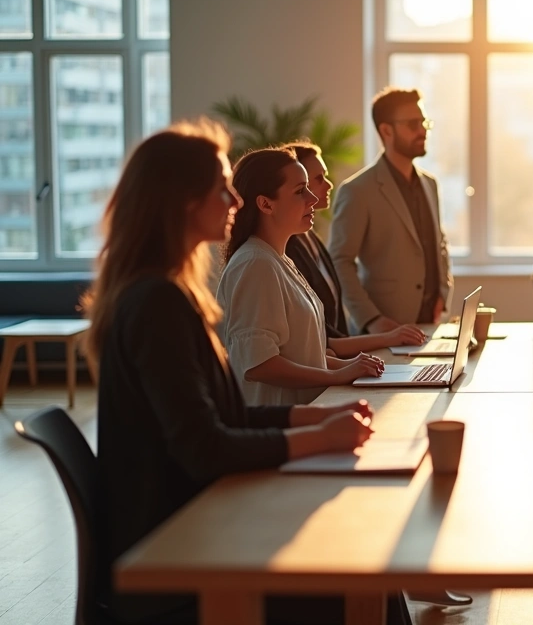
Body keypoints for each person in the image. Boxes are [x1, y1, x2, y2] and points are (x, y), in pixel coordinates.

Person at [84, 119, 411, 624]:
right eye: (221, 188)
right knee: (366, 570)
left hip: (193, 527)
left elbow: (229, 415)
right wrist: (321, 437)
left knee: (373, 568)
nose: (234, 201)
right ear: (183, 201)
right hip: (177, 554)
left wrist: (322, 422)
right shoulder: (156, 304)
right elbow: (206, 445)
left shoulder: (165, 295)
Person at [217, 148, 384, 406]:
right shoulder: (255, 264)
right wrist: (338, 375)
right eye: (299, 191)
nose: (312, 199)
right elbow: (260, 364)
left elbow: (301, 354)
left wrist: (351, 365)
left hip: (311, 413)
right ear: (265, 204)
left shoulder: (278, 259)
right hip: (281, 426)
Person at [283, 141, 428, 352]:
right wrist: (377, 328)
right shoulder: (285, 249)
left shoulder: (310, 238)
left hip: (333, 359)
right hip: (325, 366)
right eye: (317, 179)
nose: (329, 184)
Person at [329, 87, 453, 333]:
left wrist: (442, 291)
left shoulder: (430, 183)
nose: (422, 131)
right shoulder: (358, 190)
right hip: (382, 330)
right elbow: (339, 261)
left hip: (429, 323)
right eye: (412, 124)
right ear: (386, 130)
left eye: (424, 122)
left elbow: (439, 242)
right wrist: (371, 319)